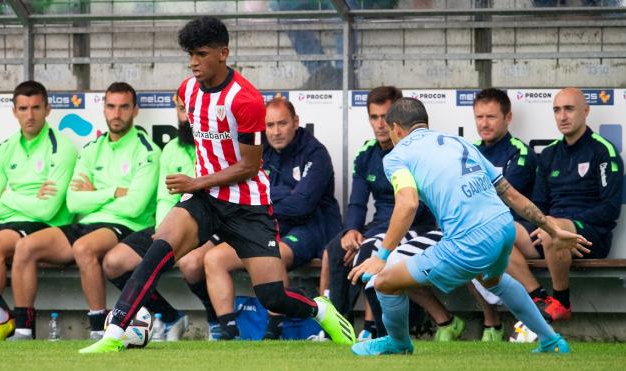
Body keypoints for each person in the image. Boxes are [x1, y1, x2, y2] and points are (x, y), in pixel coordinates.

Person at [80, 16, 355, 354]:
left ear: (223, 53)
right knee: (157, 250)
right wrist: (199, 185)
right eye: (190, 55)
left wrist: (196, 179)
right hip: (206, 200)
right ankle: (116, 331)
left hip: (248, 206)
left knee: (273, 295)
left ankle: (320, 310)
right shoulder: (187, 90)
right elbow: (200, 130)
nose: (194, 62)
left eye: (201, 54)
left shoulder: (247, 100)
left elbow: (250, 166)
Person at [349, 97, 590, 356]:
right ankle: (551, 341)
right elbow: (511, 195)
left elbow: (407, 204)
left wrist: (381, 256)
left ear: (396, 128)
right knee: (493, 279)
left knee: (384, 282)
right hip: (504, 228)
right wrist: (552, 229)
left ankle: (398, 344)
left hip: (469, 241)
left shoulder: (397, 155)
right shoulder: (459, 142)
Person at [9, 82, 160, 340]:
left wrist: (93, 194)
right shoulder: (92, 149)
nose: (116, 113)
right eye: (111, 106)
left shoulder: (148, 150)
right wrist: (113, 192)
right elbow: (73, 202)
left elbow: (134, 207)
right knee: (25, 246)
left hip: (125, 226)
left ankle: (97, 328)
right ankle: (23, 329)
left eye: (124, 107)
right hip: (87, 223)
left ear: (135, 111)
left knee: (83, 248)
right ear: (104, 109)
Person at [324, 86, 456, 342]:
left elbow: (413, 207)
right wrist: (352, 230)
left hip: (418, 226)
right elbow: (358, 201)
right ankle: (339, 329)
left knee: (368, 251)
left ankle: (382, 333)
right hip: (381, 225)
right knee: (339, 248)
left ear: (398, 120)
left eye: (385, 117)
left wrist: (372, 238)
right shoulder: (366, 154)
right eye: (374, 117)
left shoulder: (415, 153)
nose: (380, 124)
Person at [203, 97, 342, 340]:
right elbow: (246, 195)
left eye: (282, 124)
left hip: (310, 228)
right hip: (269, 225)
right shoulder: (259, 152)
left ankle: (273, 331)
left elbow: (302, 205)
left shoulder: (315, 153)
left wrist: (267, 199)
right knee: (214, 258)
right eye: (269, 125)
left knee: (271, 254)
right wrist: (282, 193)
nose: (276, 132)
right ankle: (227, 332)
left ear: (296, 122)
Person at [0, 81, 77, 341]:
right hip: (8, 225)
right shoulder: (4, 149)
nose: (30, 115)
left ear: (48, 109)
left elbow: (48, 210)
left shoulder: (62, 147)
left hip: (44, 228)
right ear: (14, 111)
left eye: (36, 108)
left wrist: (9, 195)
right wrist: (25, 197)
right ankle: (2, 316)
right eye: (24, 108)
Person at [506, 87, 624, 322]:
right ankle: (538, 298)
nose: (562, 116)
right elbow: (538, 204)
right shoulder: (549, 154)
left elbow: (610, 209)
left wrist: (563, 224)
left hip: (591, 237)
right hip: (549, 231)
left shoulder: (603, 150)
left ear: (585, 111)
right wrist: (548, 224)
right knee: (497, 233)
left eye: (569, 109)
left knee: (553, 230)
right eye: (557, 110)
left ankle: (561, 300)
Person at [100, 93, 202, 341]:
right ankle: (169, 317)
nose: (186, 117)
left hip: (205, 227)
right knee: (114, 262)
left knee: (191, 263)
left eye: (191, 110)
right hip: (170, 224)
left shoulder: (217, 148)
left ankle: (219, 325)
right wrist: (165, 231)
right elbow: (165, 197)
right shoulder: (170, 149)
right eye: (181, 109)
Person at [468, 88, 538, 341]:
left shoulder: (519, 152)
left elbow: (506, 200)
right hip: (480, 228)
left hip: (520, 229)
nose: (483, 123)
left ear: (507, 118)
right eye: (479, 117)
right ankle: (492, 324)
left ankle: (534, 311)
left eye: (491, 117)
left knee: (492, 234)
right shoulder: (468, 151)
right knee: (457, 248)